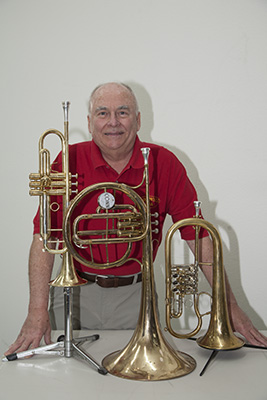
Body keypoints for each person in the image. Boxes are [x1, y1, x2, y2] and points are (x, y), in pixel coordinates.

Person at [5, 82, 267, 357]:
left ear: (138, 120)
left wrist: (228, 305)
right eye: (103, 113)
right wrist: (36, 311)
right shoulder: (68, 159)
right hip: (73, 295)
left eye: (123, 112)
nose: (113, 122)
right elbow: (44, 236)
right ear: (90, 122)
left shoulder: (163, 163)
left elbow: (198, 236)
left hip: (136, 297)